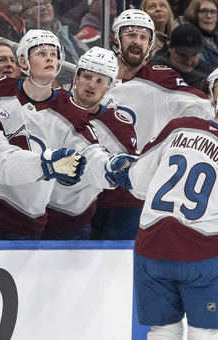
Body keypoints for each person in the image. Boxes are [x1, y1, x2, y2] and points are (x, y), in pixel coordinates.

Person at [106, 78, 218, 339]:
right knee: (206, 333)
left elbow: (138, 180)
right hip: (200, 257)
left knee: (162, 331)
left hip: (150, 250)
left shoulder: (179, 127)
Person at [0, 29, 114, 240]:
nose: (49, 57)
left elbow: (89, 152)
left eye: (54, 54)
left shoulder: (69, 110)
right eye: (41, 52)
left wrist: (111, 167)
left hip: (25, 221)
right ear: (24, 62)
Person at [102, 9, 215, 150]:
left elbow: (207, 109)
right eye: (131, 35)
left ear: (150, 44)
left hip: (138, 169)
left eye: (144, 37)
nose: (137, 42)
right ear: (115, 38)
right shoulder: (95, 76)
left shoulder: (161, 80)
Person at [62, 46, 143, 240]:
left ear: (110, 87)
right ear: (76, 77)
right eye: (87, 77)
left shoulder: (119, 126)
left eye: (100, 81)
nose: (92, 85)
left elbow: (128, 179)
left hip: (108, 209)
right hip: (57, 207)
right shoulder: (54, 107)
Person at [149, 23, 215, 91]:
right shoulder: (154, 73)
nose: (189, 62)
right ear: (170, 48)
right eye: (182, 55)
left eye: (194, 55)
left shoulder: (209, 75)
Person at [22, 0, 85, 65]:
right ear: (23, 15)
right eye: (35, 5)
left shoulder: (66, 34)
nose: (43, 7)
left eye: (46, 3)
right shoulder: (27, 37)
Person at [181, 0, 218, 68]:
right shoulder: (189, 39)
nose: (209, 16)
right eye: (204, 11)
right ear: (194, 14)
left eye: (213, 12)